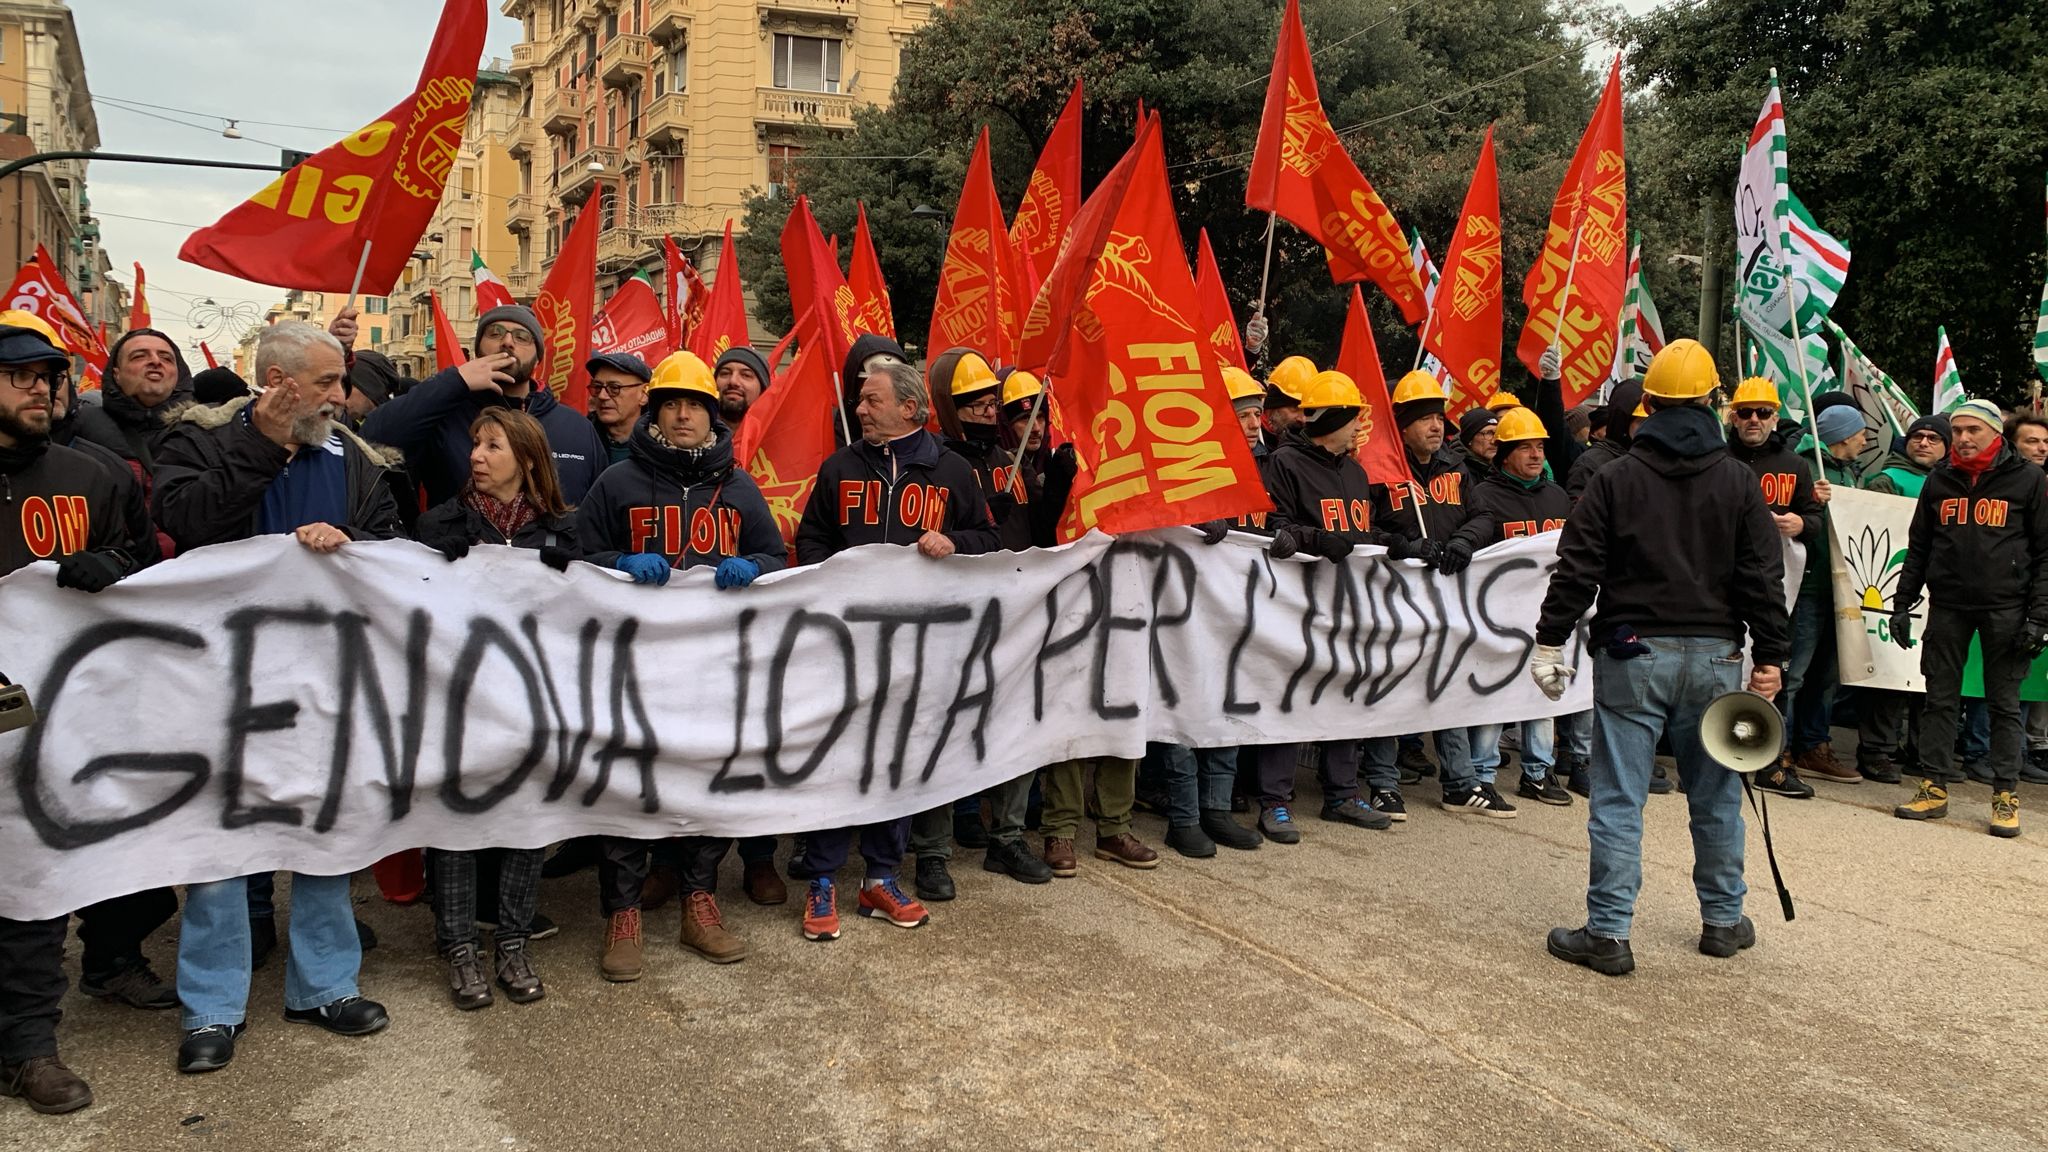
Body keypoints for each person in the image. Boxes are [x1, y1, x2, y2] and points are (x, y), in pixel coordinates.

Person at [152, 320, 400, 1072]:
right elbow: (187, 522)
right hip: (221, 682)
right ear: (278, 381)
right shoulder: (198, 442)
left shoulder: (355, 459)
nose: (341, 394)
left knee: (328, 832)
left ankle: (324, 985)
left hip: (326, 679)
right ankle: (211, 1008)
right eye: (326, 382)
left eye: (340, 380)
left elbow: (395, 545)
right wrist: (262, 449)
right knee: (220, 843)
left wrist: (354, 542)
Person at [1533, 338, 1789, 976]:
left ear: (1648, 403)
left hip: (1632, 654)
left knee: (1620, 799)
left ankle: (1610, 933)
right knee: (1717, 794)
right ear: (1712, 402)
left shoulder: (1617, 476)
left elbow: (1577, 567)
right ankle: (1724, 921)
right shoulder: (1737, 479)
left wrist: (1548, 638)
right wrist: (1773, 656)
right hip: (1715, 658)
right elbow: (1763, 575)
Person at [577, 351, 787, 973]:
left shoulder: (739, 485)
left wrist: (757, 567)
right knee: (628, 782)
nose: (684, 414)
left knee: (708, 778)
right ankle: (624, 911)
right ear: (656, 412)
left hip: (714, 671)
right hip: (632, 668)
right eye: (672, 403)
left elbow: (777, 558)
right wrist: (617, 563)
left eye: (694, 403)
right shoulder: (616, 482)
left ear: (713, 414)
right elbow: (575, 557)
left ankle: (701, 899)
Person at [792, 358, 1000, 940]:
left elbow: (988, 539)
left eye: (872, 400)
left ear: (909, 407)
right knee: (836, 760)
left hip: (918, 649)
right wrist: (828, 577)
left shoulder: (952, 470)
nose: (859, 409)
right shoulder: (838, 468)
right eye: (860, 400)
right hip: (847, 648)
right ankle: (823, 879)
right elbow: (811, 537)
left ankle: (881, 876)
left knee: (898, 761)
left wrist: (953, 539)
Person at [0, 321, 148, 1115]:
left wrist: (117, 566)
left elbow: (154, 570)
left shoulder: (92, 478)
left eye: (49, 376)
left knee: (31, 882)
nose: (39, 388)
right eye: (19, 375)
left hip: (49, 726)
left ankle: (30, 1046)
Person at [411, 407, 583, 1009]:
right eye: (475, 445)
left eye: (492, 446)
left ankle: (512, 942)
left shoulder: (566, 531)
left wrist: (594, 571)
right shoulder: (440, 524)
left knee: (526, 824)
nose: (477, 456)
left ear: (528, 460)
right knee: (456, 825)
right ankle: (458, 947)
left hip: (536, 708)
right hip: (459, 706)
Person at [907, 349, 1045, 898]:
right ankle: (934, 850)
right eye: (974, 404)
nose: (988, 413)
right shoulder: (936, 464)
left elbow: (1034, 530)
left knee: (1018, 724)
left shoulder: (1009, 457)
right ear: (947, 405)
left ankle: (1007, 837)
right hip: (952, 620)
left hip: (1014, 612)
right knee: (944, 730)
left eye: (992, 403)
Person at [1255, 369, 1415, 841]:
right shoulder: (1284, 463)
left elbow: (1358, 534)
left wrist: (1396, 543)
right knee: (1290, 699)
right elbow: (1274, 528)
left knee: (1346, 693)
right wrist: (1317, 540)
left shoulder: (1355, 471)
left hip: (1348, 603)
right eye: (1354, 419)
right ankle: (1275, 801)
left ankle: (1342, 794)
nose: (1360, 428)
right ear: (1335, 419)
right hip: (1297, 604)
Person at [1889, 398, 2048, 839]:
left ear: (1995, 434)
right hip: (1949, 606)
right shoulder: (1939, 481)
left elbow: (2044, 553)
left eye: (1971, 430)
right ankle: (1933, 786)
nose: (1961, 438)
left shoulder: (2029, 480)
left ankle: (2005, 793)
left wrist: (2040, 616)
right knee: (1940, 697)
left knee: (2004, 703)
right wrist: (1901, 604)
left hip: (2007, 609)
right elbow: (1918, 547)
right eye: (1956, 430)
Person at [1368, 370, 1505, 817]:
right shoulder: (1378, 471)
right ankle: (1383, 783)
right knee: (1389, 689)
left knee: (1448, 686)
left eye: (1440, 418)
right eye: (1425, 418)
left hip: (1447, 601)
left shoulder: (1455, 467)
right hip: (1391, 600)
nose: (1437, 427)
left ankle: (1460, 783)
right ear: (1402, 425)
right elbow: (1361, 528)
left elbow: (1484, 517)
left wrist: (1464, 541)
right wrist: (1405, 545)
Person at [361, 305, 606, 506]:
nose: (508, 342)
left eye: (522, 337)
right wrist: (454, 381)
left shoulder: (578, 429)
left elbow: (598, 518)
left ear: (538, 357)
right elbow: (371, 439)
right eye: (495, 333)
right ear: (478, 349)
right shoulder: (444, 415)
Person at [1465, 406, 1573, 806]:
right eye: (1524, 447)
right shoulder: (1483, 497)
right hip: (1498, 618)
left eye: (1540, 447)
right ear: (1503, 452)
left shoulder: (1557, 496)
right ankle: (1482, 771)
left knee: (1543, 690)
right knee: (1495, 694)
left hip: (1547, 615)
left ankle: (1538, 772)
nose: (1535, 455)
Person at [1723, 377, 1822, 799]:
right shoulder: (1718, 460)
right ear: (1733, 416)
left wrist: (1802, 523)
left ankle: (1770, 761)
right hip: (1722, 584)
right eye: (1745, 412)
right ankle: (1717, 754)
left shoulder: (1795, 466)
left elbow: (1816, 521)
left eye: (1763, 412)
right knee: (1724, 668)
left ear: (1775, 417)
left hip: (1776, 584)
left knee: (1773, 670)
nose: (1754, 420)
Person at [1859, 414, 1950, 783]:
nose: (1923, 443)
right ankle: (1877, 749)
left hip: (1941, 591)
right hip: (1896, 585)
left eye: (1933, 438)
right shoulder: (1887, 479)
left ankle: (1921, 752)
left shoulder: (1953, 484)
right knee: (1892, 671)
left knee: (1932, 677)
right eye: (1917, 436)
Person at [1782, 403, 1869, 786]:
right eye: (1860, 433)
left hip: (1844, 593)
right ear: (1843, 437)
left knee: (1827, 676)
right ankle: (1778, 748)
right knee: (1794, 674)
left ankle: (1813, 745)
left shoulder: (1854, 474)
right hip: (1810, 586)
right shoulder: (1805, 470)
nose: (1865, 440)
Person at [68, 327, 194, 476]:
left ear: (178, 375)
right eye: (139, 356)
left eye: (166, 358)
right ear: (116, 375)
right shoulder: (80, 428)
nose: (155, 361)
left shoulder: (201, 433)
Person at [586, 351, 651, 466]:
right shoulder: (581, 439)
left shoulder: (663, 448)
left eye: (614, 388)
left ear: (643, 395)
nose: (602, 396)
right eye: (597, 387)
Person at [1260, 354, 1314, 451]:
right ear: (1272, 406)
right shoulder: (1249, 439)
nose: (1302, 419)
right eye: (1295, 408)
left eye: (1306, 411)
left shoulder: (1309, 444)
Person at [715, 346, 771, 425]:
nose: (733, 381)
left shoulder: (776, 434)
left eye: (746, 375)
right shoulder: (696, 433)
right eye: (725, 373)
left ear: (762, 389)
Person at [1455, 406, 1500, 492]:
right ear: (1469, 439)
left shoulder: (1502, 470)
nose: (1494, 440)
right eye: (1488, 433)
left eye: (1497, 433)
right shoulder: (1457, 474)